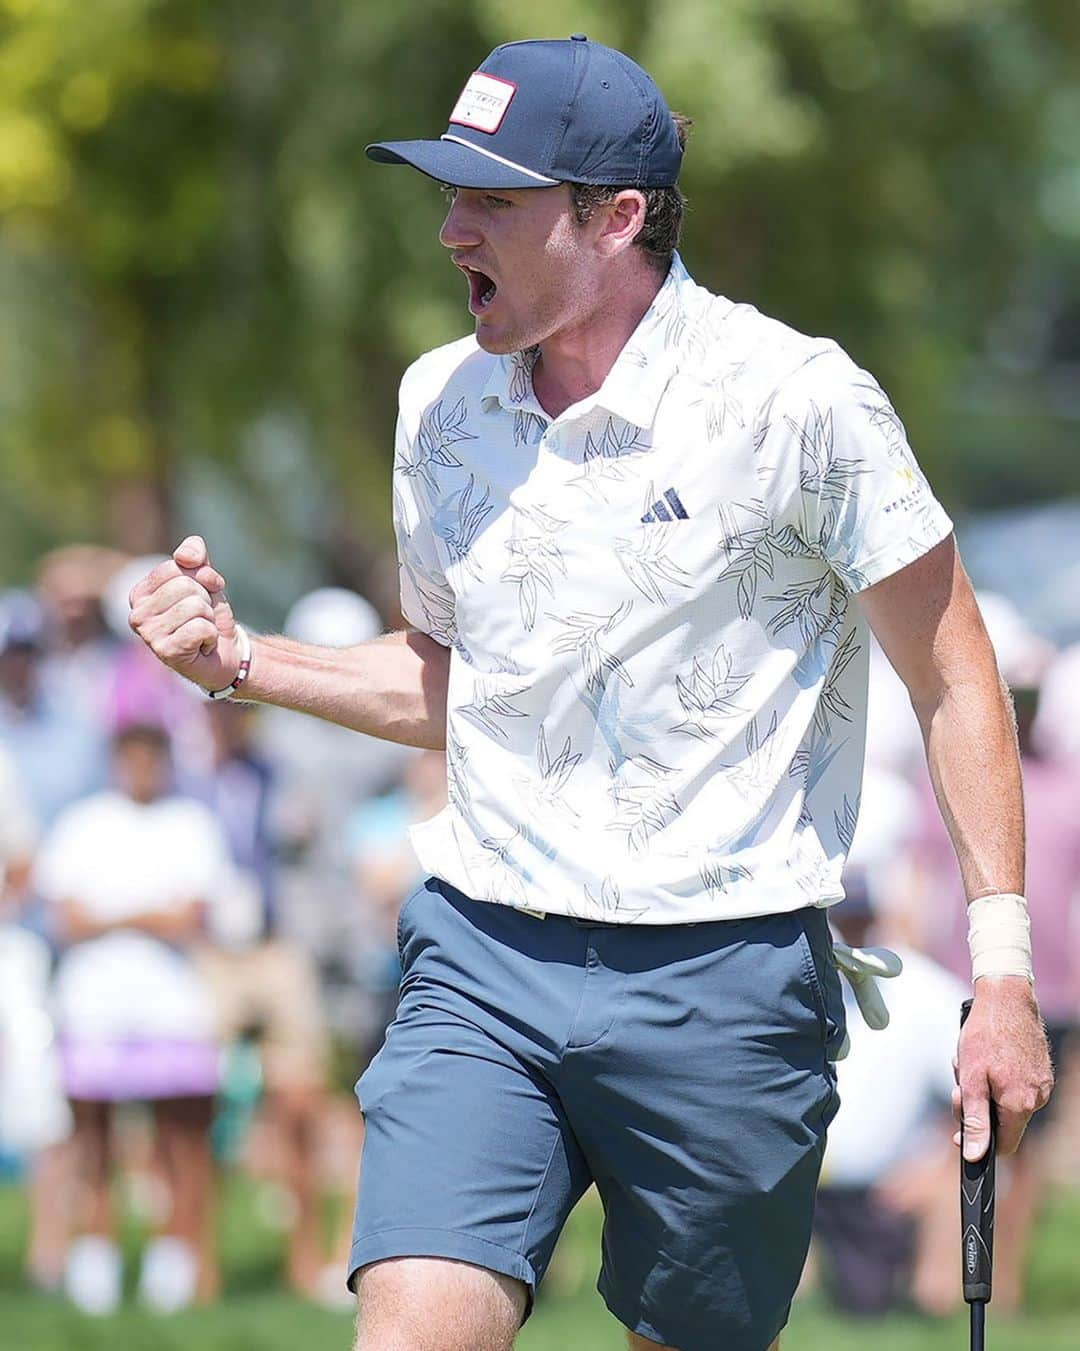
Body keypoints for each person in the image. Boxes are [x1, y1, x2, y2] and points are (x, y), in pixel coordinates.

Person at [128, 35, 1052, 1351]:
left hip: (728, 972)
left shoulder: (799, 402)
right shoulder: (438, 405)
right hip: (482, 954)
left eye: (491, 201)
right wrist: (239, 658)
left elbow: (954, 668)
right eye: (448, 196)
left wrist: (1002, 974)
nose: (450, 231)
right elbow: (458, 683)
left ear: (616, 218)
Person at [34, 723, 230, 1314]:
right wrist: (148, 915)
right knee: (92, 1136)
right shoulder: (82, 823)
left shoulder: (192, 823)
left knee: (181, 1138)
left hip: (172, 1006)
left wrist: (114, 916)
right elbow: (66, 918)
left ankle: (176, 1259)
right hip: (95, 1005)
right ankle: (95, 1254)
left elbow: (191, 916)